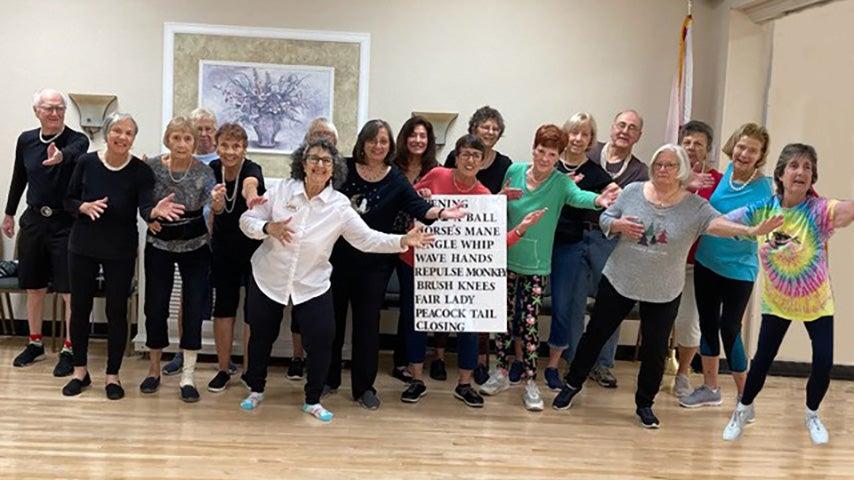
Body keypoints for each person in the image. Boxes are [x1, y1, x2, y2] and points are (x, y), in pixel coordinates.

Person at [552, 144, 782, 429]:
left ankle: (644, 404)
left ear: (681, 170)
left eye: (670, 165)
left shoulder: (694, 206)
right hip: (620, 279)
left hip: (664, 290)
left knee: (655, 348)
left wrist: (751, 231)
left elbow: (718, 224)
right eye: (658, 164)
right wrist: (618, 225)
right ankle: (572, 385)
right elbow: (605, 217)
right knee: (595, 335)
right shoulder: (634, 191)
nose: (662, 169)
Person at [238, 138, 435, 422]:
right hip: (269, 276)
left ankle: (313, 399)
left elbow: (367, 239)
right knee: (261, 336)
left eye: (326, 161)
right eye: (314, 159)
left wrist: (403, 239)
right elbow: (247, 221)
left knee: (322, 340)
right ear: (302, 163)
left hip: (312, 283)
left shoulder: (339, 206)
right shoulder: (281, 190)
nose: (319, 165)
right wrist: (268, 227)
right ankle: (255, 389)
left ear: (334, 169)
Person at [325, 119, 465, 410]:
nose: (378, 146)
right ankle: (328, 380)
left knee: (367, 326)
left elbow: (418, 207)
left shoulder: (396, 178)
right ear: (362, 142)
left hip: (376, 264)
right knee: (332, 323)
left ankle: (364, 387)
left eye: (384, 142)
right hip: (337, 260)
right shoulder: (343, 169)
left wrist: (441, 212)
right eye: (373, 140)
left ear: (390, 146)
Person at [479, 124, 619, 411]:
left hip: (536, 264)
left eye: (551, 153)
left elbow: (579, 197)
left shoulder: (560, 183)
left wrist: (599, 200)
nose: (544, 158)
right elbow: (496, 205)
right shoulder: (514, 171)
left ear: (558, 156)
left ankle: (531, 381)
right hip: (505, 258)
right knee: (503, 321)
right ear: (533, 149)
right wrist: (502, 197)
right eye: (541, 151)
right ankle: (502, 371)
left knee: (529, 326)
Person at [722, 144, 854, 445]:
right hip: (778, 303)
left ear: (813, 177)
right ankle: (743, 409)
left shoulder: (819, 211)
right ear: (780, 174)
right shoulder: (763, 209)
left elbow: (847, 210)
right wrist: (753, 230)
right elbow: (719, 222)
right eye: (794, 165)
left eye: (808, 167)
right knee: (763, 360)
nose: (801, 172)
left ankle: (812, 414)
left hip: (816, 302)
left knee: (824, 361)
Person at [400, 134, 545, 407]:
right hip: (421, 263)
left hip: (463, 271)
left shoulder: (484, 196)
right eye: (465, 154)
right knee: (415, 320)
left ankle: (464, 384)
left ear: (481, 162)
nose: (469, 160)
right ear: (456, 155)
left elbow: (494, 243)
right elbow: (410, 201)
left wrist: (521, 229)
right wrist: (422, 194)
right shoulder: (436, 175)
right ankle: (416, 379)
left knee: (469, 322)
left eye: (476, 156)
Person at [60, 113, 184, 399]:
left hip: (120, 249)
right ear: (107, 133)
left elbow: (145, 208)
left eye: (129, 133)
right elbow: (67, 200)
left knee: (117, 311)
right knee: (80, 309)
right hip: (83, 246)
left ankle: (112, 376)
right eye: (117, 130)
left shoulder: (140, 171)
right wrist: (83, 207)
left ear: (133, 138)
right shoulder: (86, 162)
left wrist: (154, 211)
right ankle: (80, 371)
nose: (122, 137)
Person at [679, 123, 773, 406]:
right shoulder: (726, 174)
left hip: (738, 269)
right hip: (707, 261)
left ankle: (746, 397)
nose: (744, 154)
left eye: (752, 150)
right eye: (741, 147)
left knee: (729, 327)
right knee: (707, 324)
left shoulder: (765, 187)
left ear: (760, 156)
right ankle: (710, 388)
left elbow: (762, 222)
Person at [5, 89, 89, 375]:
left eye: (60, 108)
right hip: (33, 222)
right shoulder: (26, 140)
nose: (55, 113)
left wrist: (60, 157)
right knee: (35, 287)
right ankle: (35, 343)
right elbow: (19, 176)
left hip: (65, 223)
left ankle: (69, 348)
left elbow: (75, 153)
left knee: (69, 292)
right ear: (36, 111)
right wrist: (9, 213)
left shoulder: (77, 139)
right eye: (48, 108)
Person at [563, 110, 649, 389]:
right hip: (576, 236)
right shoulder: (588, 149)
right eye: (621, 125)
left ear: (638, 136)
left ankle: (602, 365)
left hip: (611, 242)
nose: (625, 131)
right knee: (574, 303)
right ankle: (575, 362)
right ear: (611, 128)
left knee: (609, 304)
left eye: (632, 128)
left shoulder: (639, 170)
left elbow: (638, 206)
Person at [138, 117, 216, 403]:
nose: (182, 144)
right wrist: (150, 216)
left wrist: (218, 202)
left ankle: (188, 376)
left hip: (195, 245)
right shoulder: (153, 167)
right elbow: (142, 201)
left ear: (195, 143)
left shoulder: (205, 172)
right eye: (176, 138)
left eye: (188, 139)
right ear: (167, 139)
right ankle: (154, 369)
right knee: (155, 306)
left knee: (194, 307)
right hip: (159, 243)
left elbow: (214, 203)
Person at [544, 112, 616, 391]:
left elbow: (616, 195)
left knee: (563, 306)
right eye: (574, 132)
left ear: (590, 140)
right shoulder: (549, 162)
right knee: (523, 304)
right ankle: (518, 361)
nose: (577, 138)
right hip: (538, 242)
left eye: (584, 134)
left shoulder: (596, 172)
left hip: (569, 245)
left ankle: (554, 365)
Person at [444, 106, 514, 383]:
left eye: (495, 128)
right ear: (474, 128)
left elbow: (497, 203)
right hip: (451, 240)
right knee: (444, 302)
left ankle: (479, 362)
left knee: (480, 303)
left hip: (484, 243)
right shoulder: (454, 156)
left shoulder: (505, 163)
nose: (490, 131)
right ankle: (439, 356)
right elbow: (447, 191)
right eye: (485, 126)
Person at [161, 107, 220, 376]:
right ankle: (181, 354)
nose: (204, 134)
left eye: (209, 128)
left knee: (222, 300)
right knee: (187, 297)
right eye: (200, 128)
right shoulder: (172, 159)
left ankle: (224, 358)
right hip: (187, 240)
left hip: (219, 240)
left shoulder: (222, 162)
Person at [206, 123, 265, 392]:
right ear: (217, 146)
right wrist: (216, 204)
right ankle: (222, 369)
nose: (230, 151)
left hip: (253, 250)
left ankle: (250, 371)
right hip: (222, 250)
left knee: (253, 311)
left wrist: (251, 198)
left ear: (244, 148)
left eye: (236, 146)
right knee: (224, 308)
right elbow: (215, 209)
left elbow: (250, 187)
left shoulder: (252, 169)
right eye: (225, 146)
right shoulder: (211, 171)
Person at [670, 120, 724, 398]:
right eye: (687, 142)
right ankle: (654, 370)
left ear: (708, 150)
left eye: (698, 144)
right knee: (659, 320)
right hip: (664, 261)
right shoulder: (667, 173)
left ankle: (683, 373)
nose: (691, 148)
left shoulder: (718, 180)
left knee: (688, 322)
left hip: (696, 264)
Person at [286, 116, 341, 382]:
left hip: (339, 249)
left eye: (328, 135)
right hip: (307, 253)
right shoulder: (298, 175)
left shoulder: (341, 169)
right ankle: (298, 357)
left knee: (327, 316)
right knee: (300, 308)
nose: (324, 138)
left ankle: (324, 369)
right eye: (318, 133)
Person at [391, 116, 440, 383]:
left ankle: (404, 361)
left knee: (411, 304)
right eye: (413, 135)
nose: (418, 140)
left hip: (419, 246)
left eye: (423, 136)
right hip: (389, 239)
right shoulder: (391, 166)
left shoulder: (437, 169)